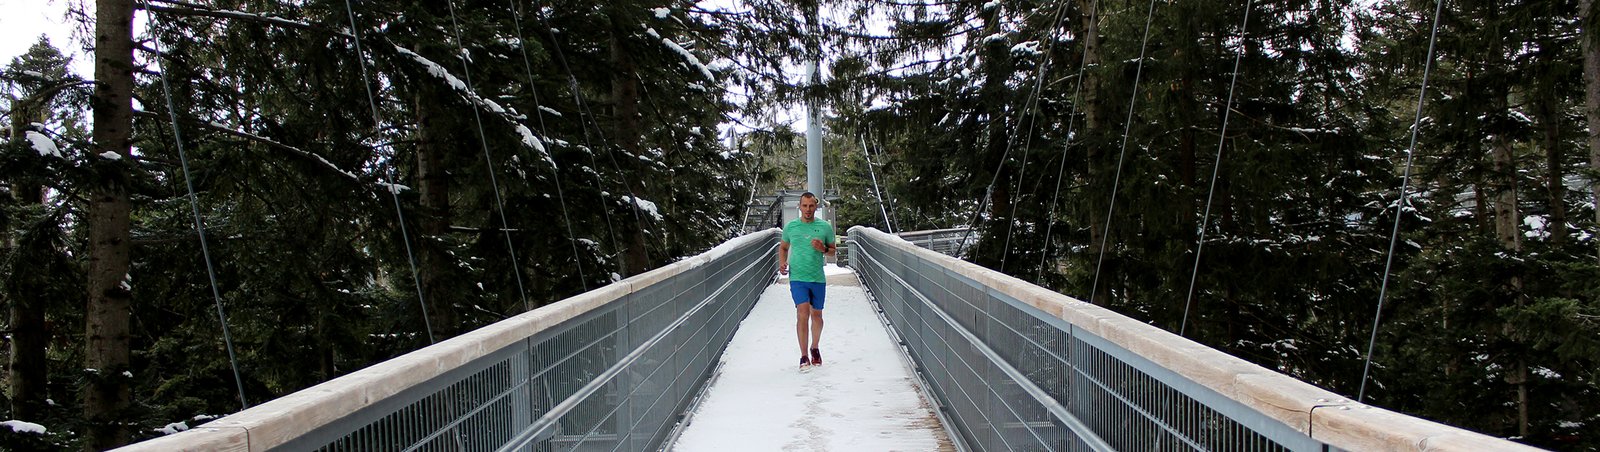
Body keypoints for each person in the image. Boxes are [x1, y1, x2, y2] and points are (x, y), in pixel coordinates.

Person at [778, 192, 836, 368]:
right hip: (797, 277)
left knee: (816, 315)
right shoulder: (791, 227)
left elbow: (833, 250)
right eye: (805, 206)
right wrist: (782, 263)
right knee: (802, 313)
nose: (808, 209)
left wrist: (823, 248)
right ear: (799, 206)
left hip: (817, 277)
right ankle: (803, 356)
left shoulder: (825, 227)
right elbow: (783, 247)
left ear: (816, 207)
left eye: (811, 206)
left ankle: (815, 348)